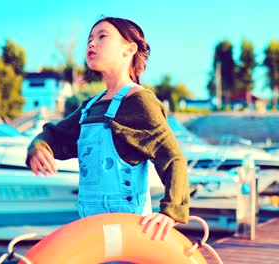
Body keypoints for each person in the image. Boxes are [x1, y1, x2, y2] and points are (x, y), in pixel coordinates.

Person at [25, 16, 190, 241]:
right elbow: (54, 135)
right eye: (89, 39)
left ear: (129, 49)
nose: (91, 43)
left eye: (102, 36)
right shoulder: (89, 107)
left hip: (130, 234)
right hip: (90, 228)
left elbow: (173, 159)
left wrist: (171, 211)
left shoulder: (141, 102)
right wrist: (39, 146)